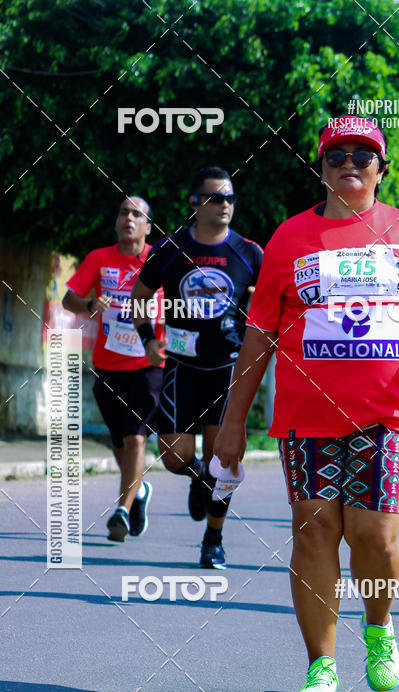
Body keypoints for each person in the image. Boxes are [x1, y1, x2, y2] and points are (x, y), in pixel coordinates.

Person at [213, 116, 399, 692]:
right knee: (314, 529)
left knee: (373, 534)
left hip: (386, 411)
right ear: (320, 167)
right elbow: (259, 335)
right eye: (337, 155)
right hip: (306, 414)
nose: (350, 163)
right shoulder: (290, 239)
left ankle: (378, 627)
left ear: (381, 169)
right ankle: (322, 666)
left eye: (364, 155)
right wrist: (233, 421)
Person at [131, 167, 263, 569]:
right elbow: (140, 296)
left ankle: (213, 539)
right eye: (216, 198)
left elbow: (273, 304)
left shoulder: (250, 253)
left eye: (230, 198)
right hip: (182, 368)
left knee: (222, 459)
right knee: (173, 456)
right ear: (196, 203)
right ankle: (200, 480)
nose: (226, 205)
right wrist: (148, 339)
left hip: (228, 370)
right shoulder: (170, 249)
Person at [63, 196, 164, 542]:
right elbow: (69, 299)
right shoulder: (99, 259)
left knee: (136, 438)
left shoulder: (160, 258)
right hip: (107, 366)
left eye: (137, 214)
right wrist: (91, 303)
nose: (128, 218)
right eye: (123, 212)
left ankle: (121, 509)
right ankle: (139, 491)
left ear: (148, 226)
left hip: (148, 363)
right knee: (120, 445)